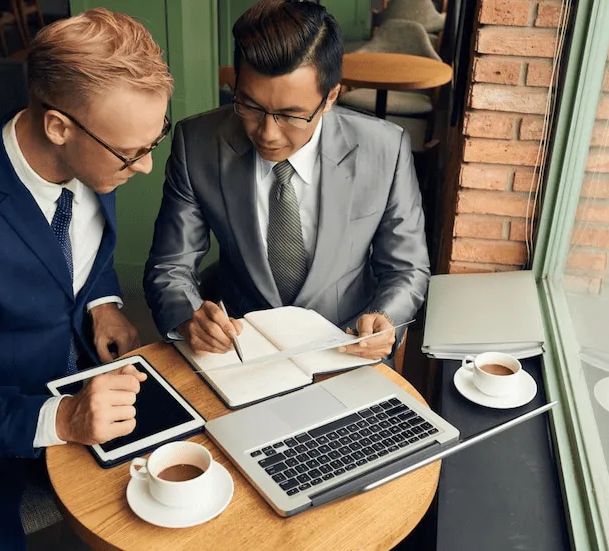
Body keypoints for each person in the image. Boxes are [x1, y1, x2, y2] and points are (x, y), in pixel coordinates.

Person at [0, 9, 173, 550]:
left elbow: (73, 255)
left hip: (81, 381)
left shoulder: (97, 153)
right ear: (58, 126)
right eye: (132, 153)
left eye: (153, 140)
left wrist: (102, 301)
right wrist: (64, 419)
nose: (144, 168)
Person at [144, 0, 430, 362]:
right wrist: (188, 316)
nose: (267, 133)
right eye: (249, 106)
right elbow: (169, 266)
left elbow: (407, 268)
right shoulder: (197, 144)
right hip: (241, 349)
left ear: (330, 98)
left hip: (345, 346)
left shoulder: (386, 150)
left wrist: (387, 317)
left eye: (290, 115)